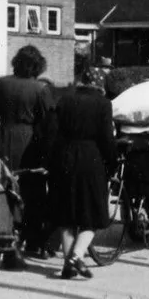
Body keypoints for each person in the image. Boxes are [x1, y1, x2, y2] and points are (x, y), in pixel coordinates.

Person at [0, 46, 55, 268]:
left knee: (5, 189)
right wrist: (47, 156)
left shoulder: (2, 84)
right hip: (29, 143)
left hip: (3, 138)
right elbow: (47, 126)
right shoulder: (41, 89)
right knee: (33, 192)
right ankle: (31, 240)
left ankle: (7, 236)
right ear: (38, 66)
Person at [49, 56, 117, 280]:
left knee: (67, 216)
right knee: (93, 214)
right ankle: (77, 255)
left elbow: (54, 133)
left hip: (64, 158)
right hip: (91, 159)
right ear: (99, 85)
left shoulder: (65, 100)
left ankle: (68, 266)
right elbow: (107, 139)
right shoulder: (103, 104)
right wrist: (112, 163)